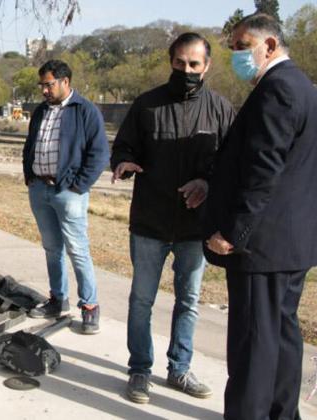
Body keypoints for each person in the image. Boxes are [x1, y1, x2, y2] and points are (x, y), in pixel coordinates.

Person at [111, 33, 235, 404]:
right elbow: (123, 145)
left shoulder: (221, 110)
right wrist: (123, 162)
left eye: (194, 64)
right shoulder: (146, 106)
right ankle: (139, 370)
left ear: (207, 66)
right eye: (180, 63)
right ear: (171, 61)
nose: (187, 70)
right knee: (141, 301)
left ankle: (179, 369)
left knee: (189, 300)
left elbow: (234, 165)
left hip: (194, 228)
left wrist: (208, 183)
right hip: (149, 221)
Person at [205, 13, 317, 420]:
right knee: (282, 336)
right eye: (233, 47)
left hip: (263, 245)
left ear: (269, 46)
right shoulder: (302, 86)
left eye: (242, 45)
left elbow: (263, 172)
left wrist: (234, 232)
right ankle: (281, 413)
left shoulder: (278, 90)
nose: (236, 54)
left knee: (254, 343)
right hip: (291, 243)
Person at [22, 60, 109, 335]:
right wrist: (29, 176)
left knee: (78, 250)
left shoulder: (85, 110)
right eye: (42, 85)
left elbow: (99, 154)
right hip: (39, 189)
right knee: (52, 249)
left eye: (48, 85)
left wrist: (79, 186)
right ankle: (58, 300)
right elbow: (31, 144)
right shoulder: (40, 112)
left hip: (68, 192)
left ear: (65, 82)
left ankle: (90, 307)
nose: (44, 91)